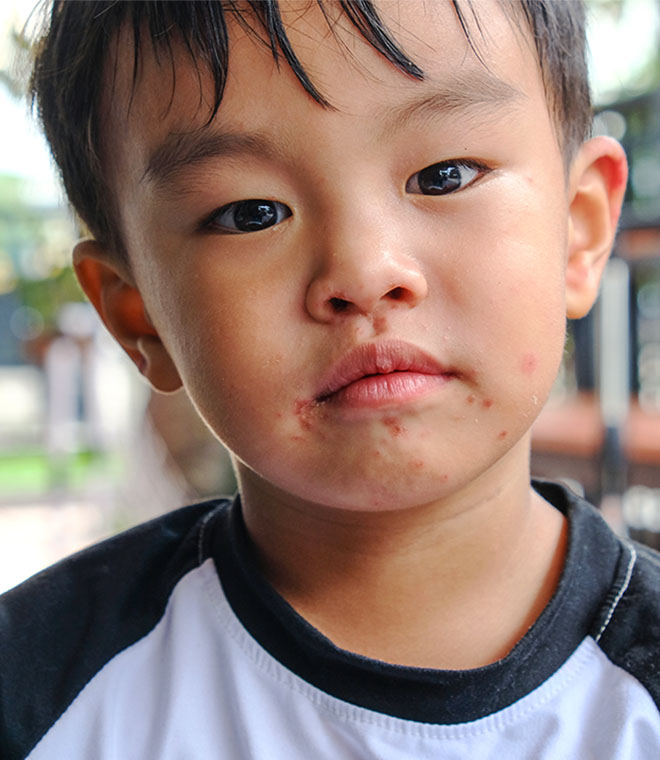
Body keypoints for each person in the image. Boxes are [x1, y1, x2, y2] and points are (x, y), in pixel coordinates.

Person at [2, 0, 655, 757]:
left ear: (579, 229)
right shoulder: (40, 701)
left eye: (443, 175)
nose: (363, 271)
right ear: (139, 316)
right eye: (250, 214)